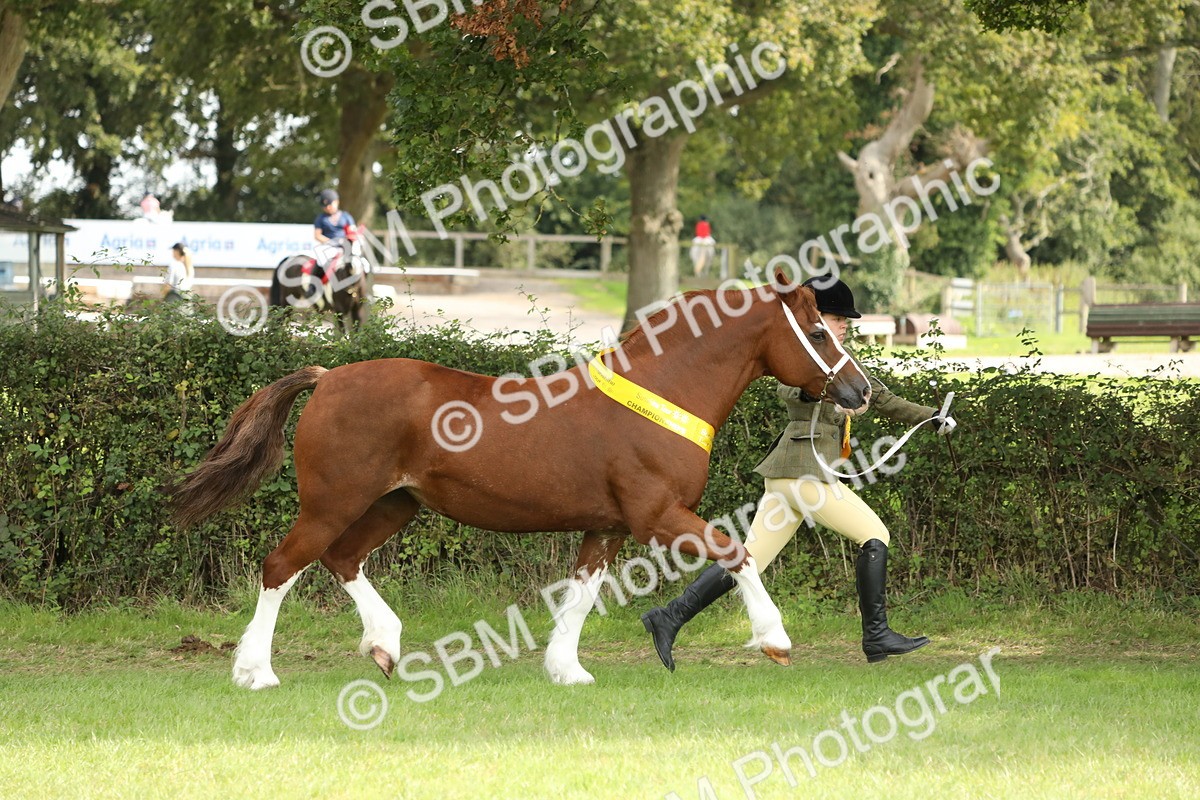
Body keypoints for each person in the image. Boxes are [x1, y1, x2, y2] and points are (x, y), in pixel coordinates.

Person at [641, 274, 958, 670]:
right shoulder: (804, 356)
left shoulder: (843, 364)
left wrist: (933, 417)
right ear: (816, 318)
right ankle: (876, 634)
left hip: (786, 478)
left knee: (749, 559)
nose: (846, 326)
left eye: (846, 321)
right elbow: (791, 389)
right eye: (839, 319)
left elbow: (884, 399)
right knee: (876, 534)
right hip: (805, 474)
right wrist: (825, 396)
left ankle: (669, 616)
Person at [313, 188, 356, 271]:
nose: (327, 208)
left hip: (345, 245)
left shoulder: (346, 216)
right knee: (321, 261)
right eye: (325, 206)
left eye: (330, 205)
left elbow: (352, 231)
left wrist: (348, 241)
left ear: (336, 202)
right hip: (328, 246)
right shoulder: (321, 218)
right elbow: (317, 235)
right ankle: (315, 282)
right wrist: (332, 242)